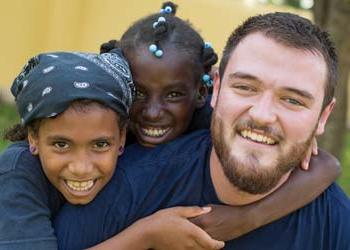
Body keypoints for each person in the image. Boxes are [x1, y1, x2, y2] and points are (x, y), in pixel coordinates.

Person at [54, 11, 350, 250]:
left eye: (292, 100)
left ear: (323, 117)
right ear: (216, 88)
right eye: (245, 87)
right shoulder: (123, 188)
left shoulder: (335, 223)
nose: (262, 115)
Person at [0, 50, 225, 250]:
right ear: (33, 138)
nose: (81, 168)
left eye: (100, 145)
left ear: (122, 139)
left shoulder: (147, 141)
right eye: (61, 144)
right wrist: (146, 236)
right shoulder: (17, 173)